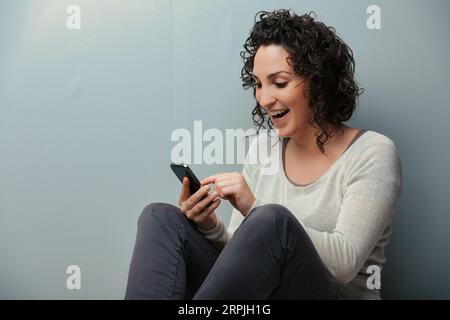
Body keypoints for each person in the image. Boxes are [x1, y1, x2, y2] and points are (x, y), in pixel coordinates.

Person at [125, 9, 402, 300]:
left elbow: (346, 263)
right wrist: (210, 227)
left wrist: (255, 207)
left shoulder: (373, 152)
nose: (265, 98)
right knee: (160, 217)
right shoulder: (263, 150)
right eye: (258, 84)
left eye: (279, 82)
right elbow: (244, 259)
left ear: (319, 82)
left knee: (272, 220)